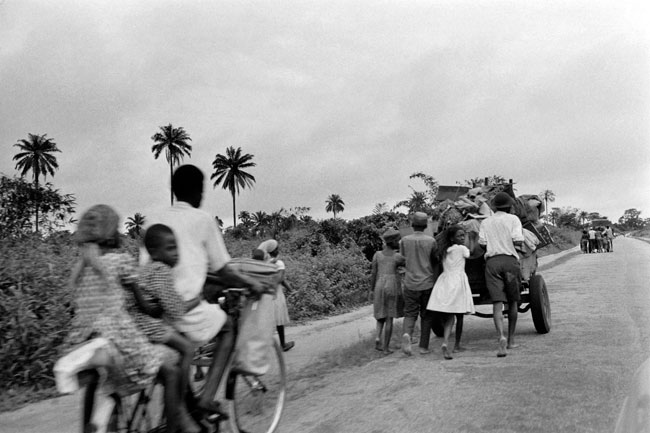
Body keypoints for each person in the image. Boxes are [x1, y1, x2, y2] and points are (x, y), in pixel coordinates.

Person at [140, 164, 265, 421]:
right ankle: (207, 397)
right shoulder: (203, 219)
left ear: (174, 190)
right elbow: (224, 270)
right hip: (181, 307)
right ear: (199, 192)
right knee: (228, 326)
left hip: (151, 307)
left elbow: (151, 266)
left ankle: (182, 408)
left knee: (181, 350)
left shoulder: (153, 220)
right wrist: (251, 283)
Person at [61, 205, 185, 433]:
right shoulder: (121, 261)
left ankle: (89, 424)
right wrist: (155, 311)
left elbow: (74, 309)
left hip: (83, 341)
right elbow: (143, 305)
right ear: (110, 236)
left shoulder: (80, 269)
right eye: (117, 229)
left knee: (103, 380)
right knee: (171, 371)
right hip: (118, 338)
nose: (120, 234)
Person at [125, 223, 200, 433]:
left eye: (176, 247)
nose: (175, 253)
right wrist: (197, 300)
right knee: (187, 348)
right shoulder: (160, 270)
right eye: (170, 248)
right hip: (145, 324)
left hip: (134, 323)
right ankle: (179, 404)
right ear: (154, 252)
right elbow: (175, 309)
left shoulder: (146, 269)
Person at [478, 192, 525, 358]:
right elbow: (518, 239)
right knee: (512, 302)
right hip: (510, 262)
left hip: (492, 263)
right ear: (510, 206)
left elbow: (482, 243)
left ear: (494, 206)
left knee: (497, 303)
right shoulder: (513, 219)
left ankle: (501, 337)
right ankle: (511, 340)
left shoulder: (485, 221)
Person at [427, 225, 475, 360]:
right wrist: (471, 239)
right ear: (452, 238)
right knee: (459, 317)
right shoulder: (462, 249)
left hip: (446, 281)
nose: (462, 237)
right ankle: (457, 345)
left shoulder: (445, 250)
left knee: (449, 318)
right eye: (460, 236)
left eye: (463, 235)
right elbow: (470, 253)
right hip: (458, 283)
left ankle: (446, 341)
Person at [399, 212, 440, 356]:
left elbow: (402, 260)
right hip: (427, 283)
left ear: (412, 225)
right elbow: (435, 260)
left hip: (410, 283)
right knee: (427, 316)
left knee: (410, 313)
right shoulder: (431, 241)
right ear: (426, 226)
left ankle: (407, 335)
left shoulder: (404, 241)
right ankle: (423, 347)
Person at [368, 228, 406, 355]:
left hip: (379, 284)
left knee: (380, 313)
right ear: (394, 241)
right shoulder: (398, 257)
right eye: (398, 240)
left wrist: (371, 289)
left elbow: (373, 273)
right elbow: (408, 265)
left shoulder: (377, 255)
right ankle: (386, 348)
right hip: (392, 285)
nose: (399, 242)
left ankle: (378, 337)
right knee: (389, 317)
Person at [257, 239, 295, 352]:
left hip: (264, 293)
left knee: (265, 320)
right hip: (276, 293)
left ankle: (261, 346)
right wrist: (290, 289)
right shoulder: (279, 263)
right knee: (279, 321)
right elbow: (281, 279)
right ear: (273, 250)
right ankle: (283, 344)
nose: (278, 250)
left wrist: (290, 289)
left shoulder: (263, 263)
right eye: (277, 248)